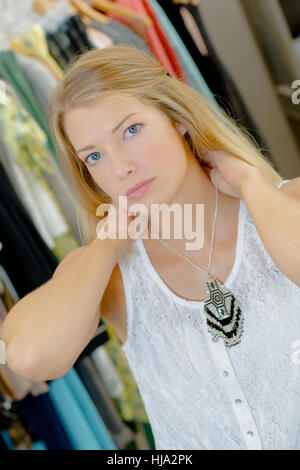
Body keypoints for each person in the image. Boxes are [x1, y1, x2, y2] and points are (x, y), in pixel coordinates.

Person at [1, 46, 300, 450]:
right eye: (94, 156)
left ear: (176, 118)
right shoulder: (108, 274)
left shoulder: (285, 203)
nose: (121, 167)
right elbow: (27, 358)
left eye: (131, 130)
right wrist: (106, 247)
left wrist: (249, 183)